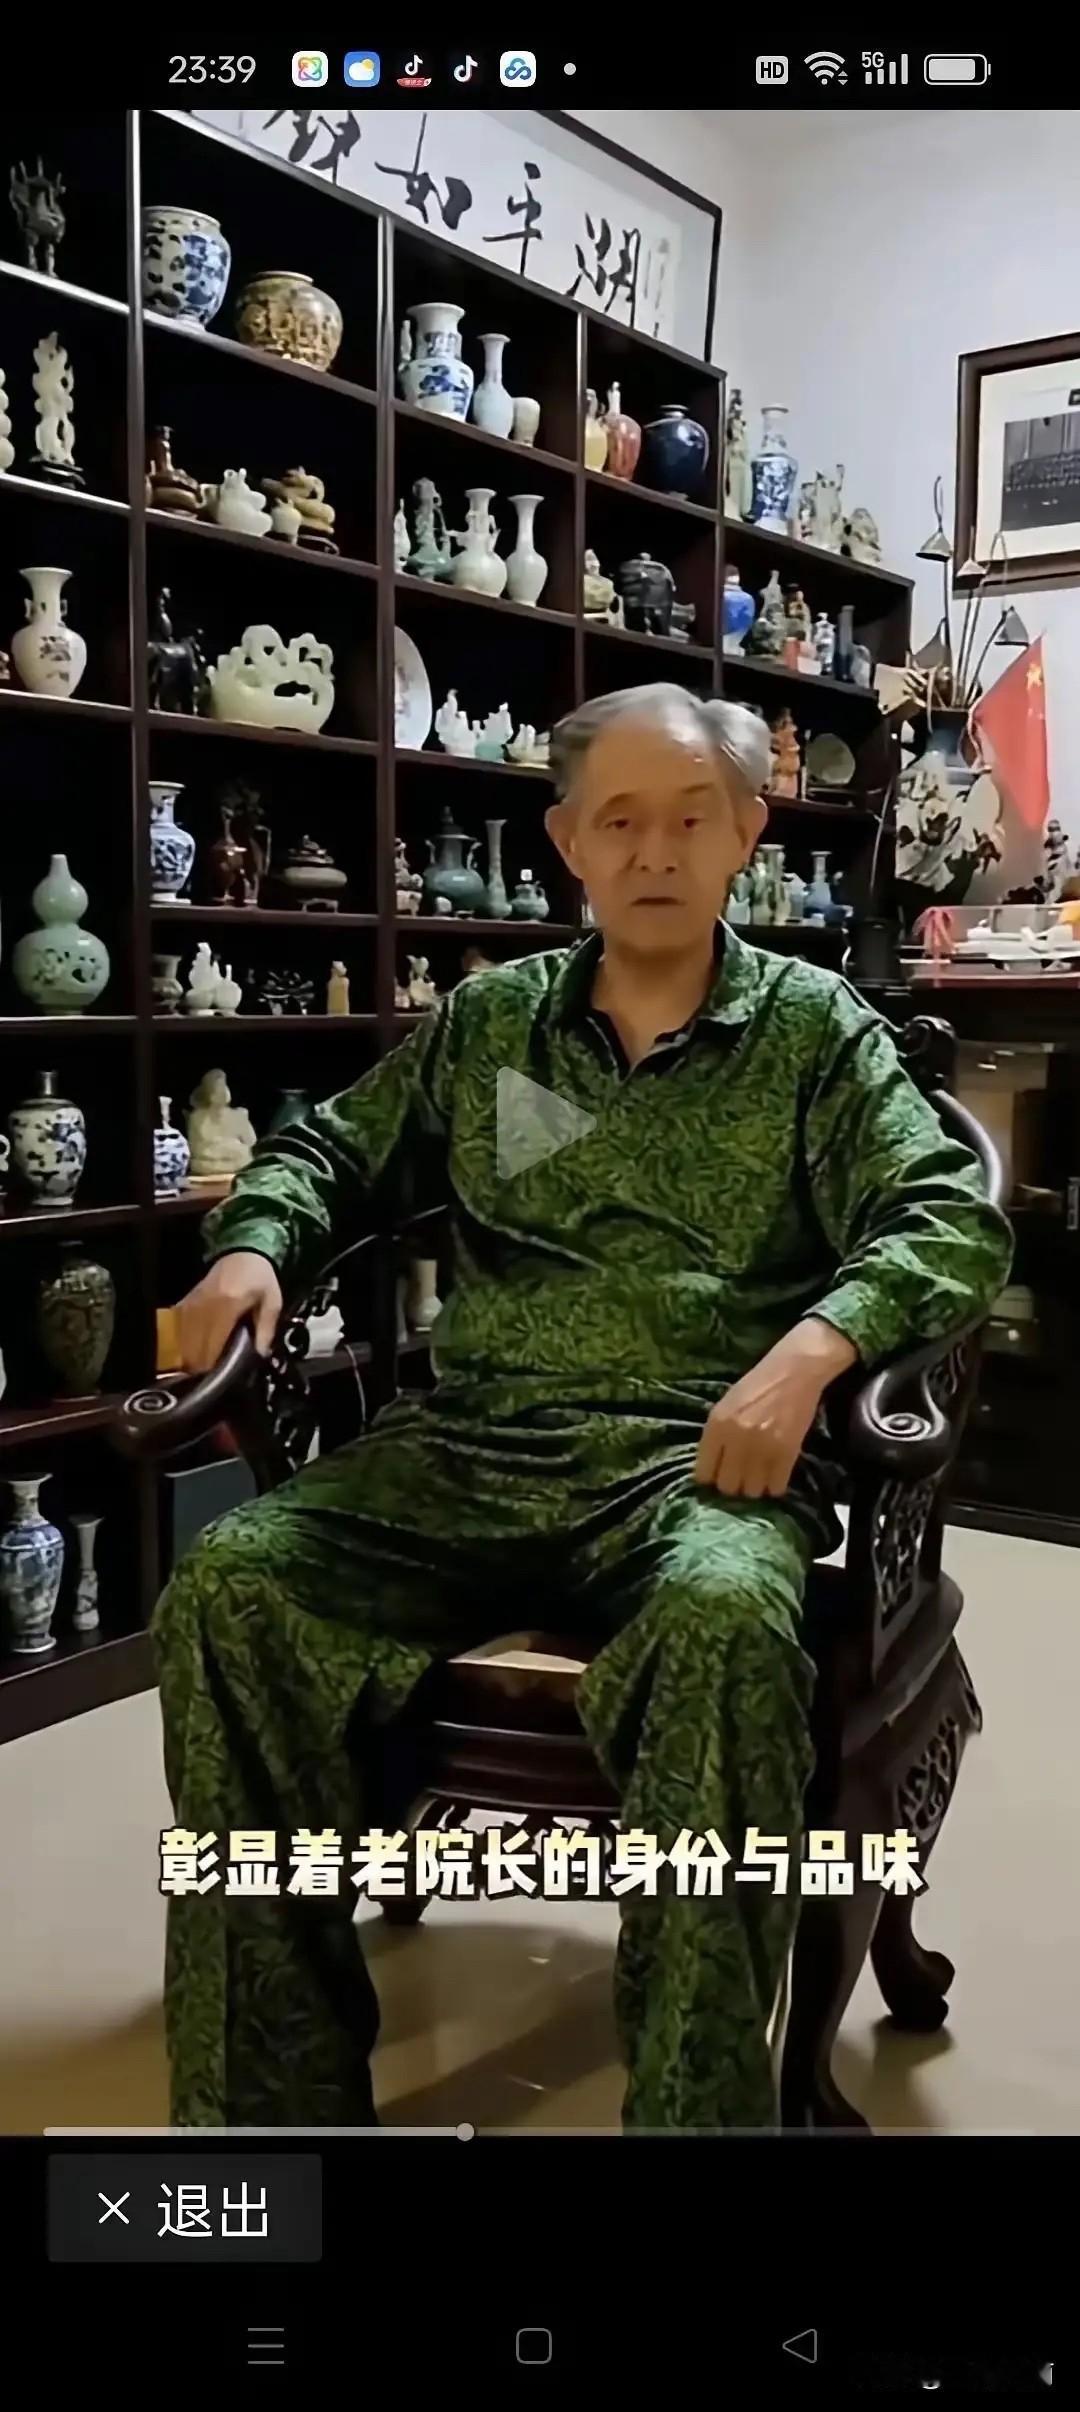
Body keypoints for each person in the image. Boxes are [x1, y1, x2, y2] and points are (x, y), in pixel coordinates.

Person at [154, 682, 1012, 2132]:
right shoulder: (494, 1022)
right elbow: (330, 1156)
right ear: (566, 843)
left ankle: (694, 2111)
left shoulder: (816, 1034)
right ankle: (266, 2121)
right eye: (618, 820)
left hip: (696, 1464)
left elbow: (945, 1219)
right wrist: (255, 1248)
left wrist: (813, 1348)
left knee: (726, 1624)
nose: (654, 851)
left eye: (690, 819)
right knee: (233, 1588)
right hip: (470, 1454)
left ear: (746, 833)